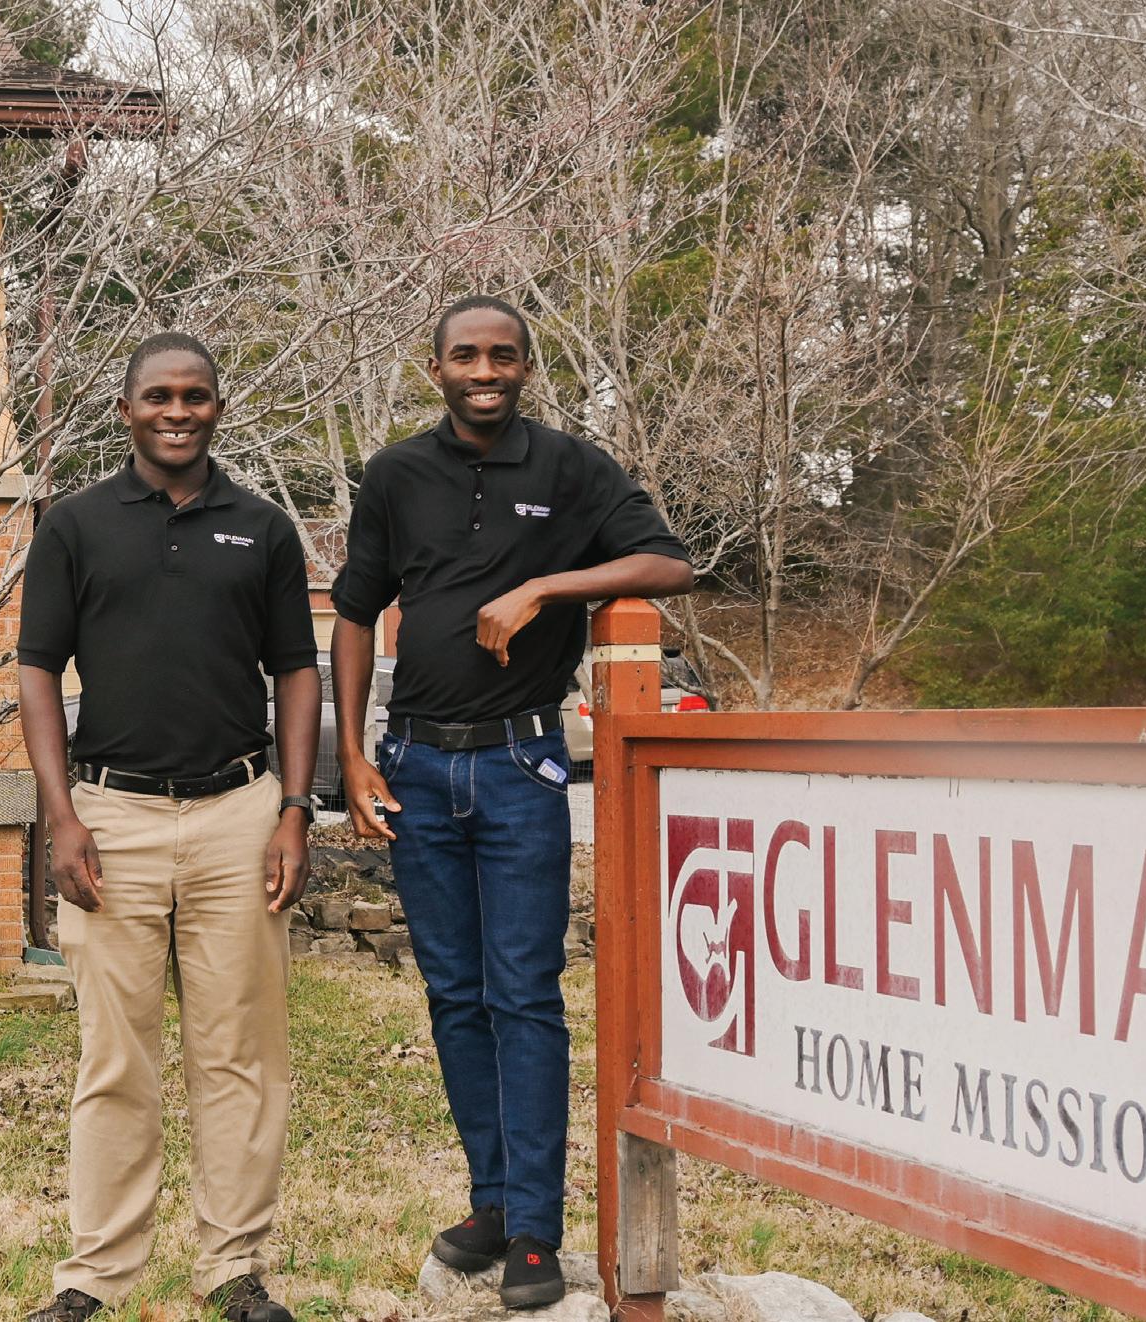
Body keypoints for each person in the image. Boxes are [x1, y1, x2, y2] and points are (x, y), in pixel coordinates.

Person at [329, 295, 694, 1310]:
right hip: (413, 766)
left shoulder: (568, 468)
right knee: (453, 994)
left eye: (501, 355)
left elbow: (670, 562)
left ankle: (534, 1228)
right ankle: (488, 1202)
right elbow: (354, 612)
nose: (482, 370)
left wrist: (547, 587)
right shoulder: (395, 474)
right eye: (464, 355)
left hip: (520, 768)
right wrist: (352, 757)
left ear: (525, 367)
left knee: (523, 996)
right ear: (435, 368)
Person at [17, 331, 322, 1322]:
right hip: (112, 818)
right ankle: (93, 1276)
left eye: (195, 396)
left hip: (239, 814)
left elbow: (297, 670)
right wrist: (61, 815)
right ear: (126, 409)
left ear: (217, 407)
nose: (177, 412)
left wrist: (292, 809)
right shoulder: (74, 525)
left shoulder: (263, 528)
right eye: (159, 396)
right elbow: (35, 671)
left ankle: (232, 1267)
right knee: (115, 1059)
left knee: (239, 1055)